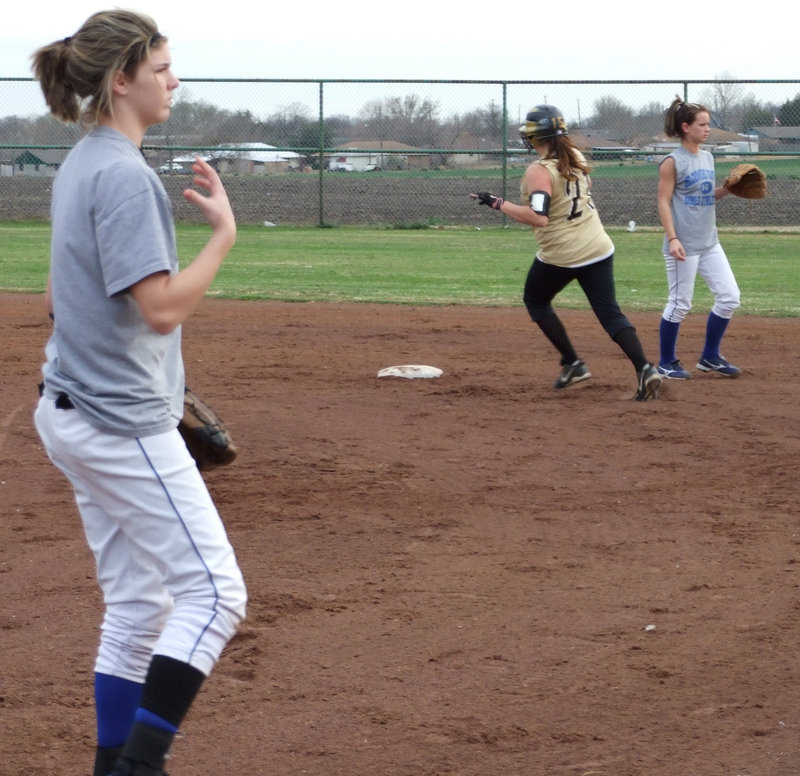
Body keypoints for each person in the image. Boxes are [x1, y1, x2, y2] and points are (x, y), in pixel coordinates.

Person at [31, 11, 246, 776]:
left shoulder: (82, 162)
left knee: (137, 606)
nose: (173, 79)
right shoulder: (125, 175)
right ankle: (139, 767)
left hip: (71, 411)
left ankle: (111, 765)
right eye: (160, 66)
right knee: (215, 597)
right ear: (120, 79)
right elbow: (159, 309)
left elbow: (59, 301)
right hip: (119, 423)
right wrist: (222, 236)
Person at [471, 104, 661, 401]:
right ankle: (646, 369)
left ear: (536, 137)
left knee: (535, 299)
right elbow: (585, 190)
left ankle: (573, 363)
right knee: (610, 314)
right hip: (598, 245)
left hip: (563, 252)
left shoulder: (539, 170)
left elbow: (538, 216)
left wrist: (497, 203)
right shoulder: (576, 157)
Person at [656, 96, 741, 379]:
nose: (707, 129)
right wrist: (672, 239)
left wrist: (727, 189)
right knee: (680, 303)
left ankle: (710, 356)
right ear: (685, 127)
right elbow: (663, 201)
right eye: (702, 124)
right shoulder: (672, 161)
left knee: (729, 297)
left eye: (708, 124)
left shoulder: (707, 157)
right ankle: (666, 362)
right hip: (684, 244)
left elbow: (705, 194)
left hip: (709, 241)